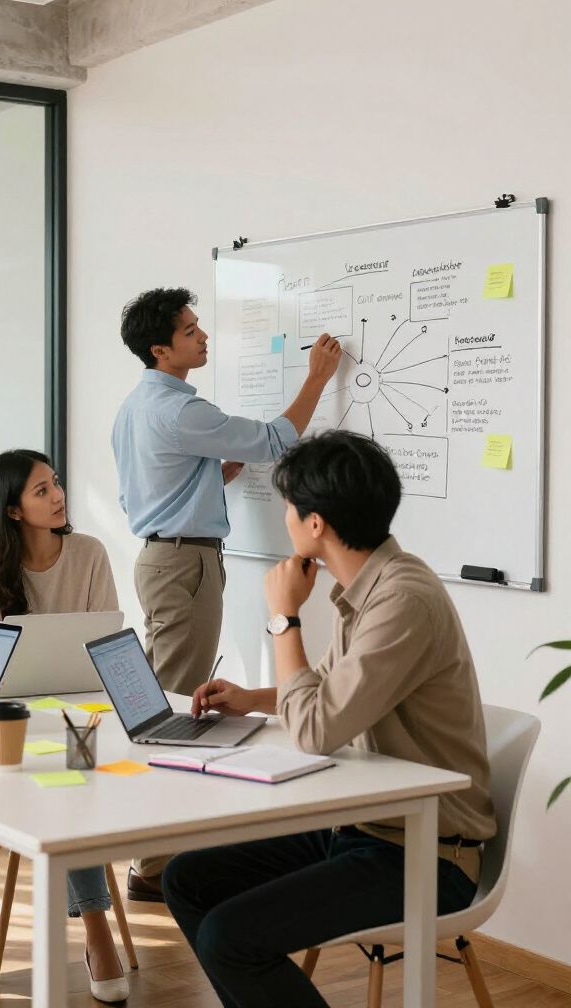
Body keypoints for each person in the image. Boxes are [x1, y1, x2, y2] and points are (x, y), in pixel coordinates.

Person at [163, 431, 496, 1008]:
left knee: (229, 938)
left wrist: (283, 617)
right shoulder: (368, 587)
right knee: (187, 878)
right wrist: (252, 698)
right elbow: (327, 696)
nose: (286, 517)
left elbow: (317, 731)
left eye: (289, 506)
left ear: (315, 523)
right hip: (366, 827)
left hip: (425, 852)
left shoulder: (403, 600)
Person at [112, 285, 341, 899]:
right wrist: (317, 378)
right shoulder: (180, 411)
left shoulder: (136, 407)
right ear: (161, 350)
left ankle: (147, 851)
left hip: (162, 558)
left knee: (164, 698)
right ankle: (151, 865)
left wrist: (209, 476)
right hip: (184, 564)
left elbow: (146, 488)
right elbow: (273, 440)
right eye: (190, 331)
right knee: (172, 711)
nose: (204, 335)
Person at [0, 449, 129, 1004]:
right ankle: (98, 932)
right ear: (12, 510)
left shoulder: (89, 552)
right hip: (14, 721)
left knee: (72, 771)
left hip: (82, 711)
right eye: (41, 490)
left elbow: (106, 642)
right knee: (68, 775)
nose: (58, 495)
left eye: (55, 483)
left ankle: (95, 927)